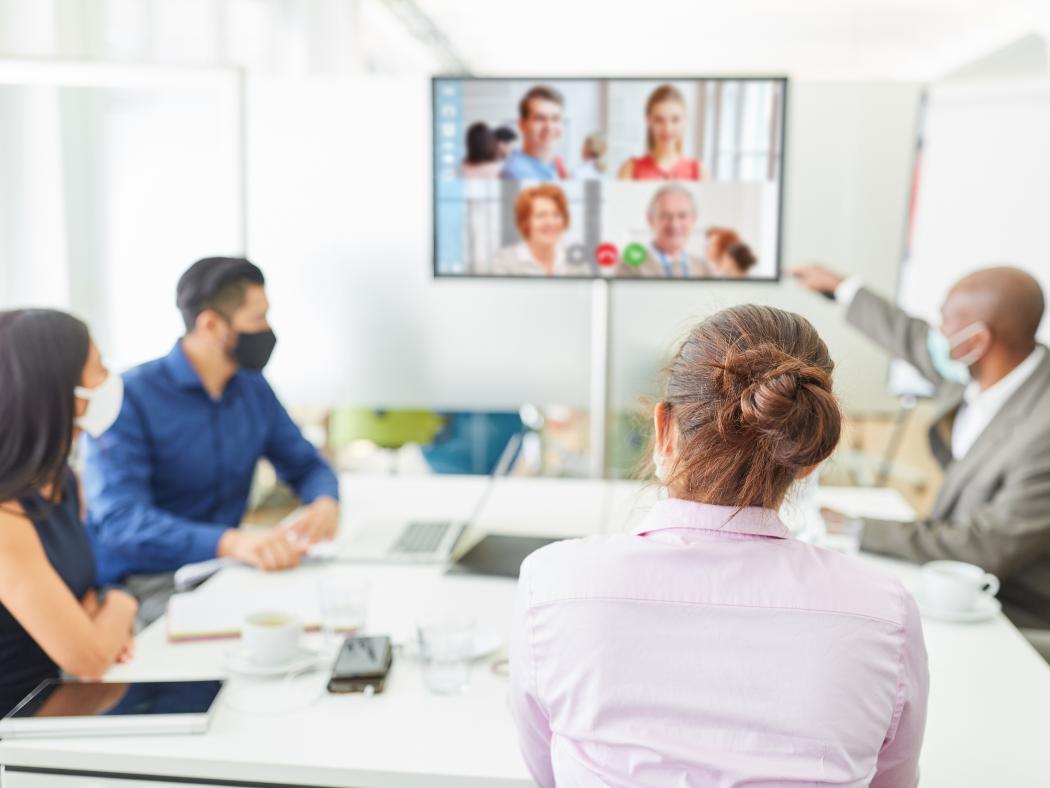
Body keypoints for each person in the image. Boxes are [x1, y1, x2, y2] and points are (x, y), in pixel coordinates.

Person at [510, 304, 928, 786]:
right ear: (809, 457)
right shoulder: (884, 612)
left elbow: (548, 773)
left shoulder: (552, 584)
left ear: (663, 431)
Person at [792, 263, 1050, 638]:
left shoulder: (1041, 428)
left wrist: (858, 528)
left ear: (977, 341)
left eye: (945, 321)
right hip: (954, 585)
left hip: (1012, 611)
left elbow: (987, 546)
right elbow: (912, 338)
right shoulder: (992, 369)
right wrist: (843, 287)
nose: (937, 332)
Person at [83, 257, 341, 626]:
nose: (268, 331)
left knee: (321, 615)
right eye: (257, 319)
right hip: (143, 585)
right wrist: (231, 542)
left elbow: (306, 464)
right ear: (210, 324)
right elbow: (122, 521)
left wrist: (325, 502)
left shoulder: (253, 388)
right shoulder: (130, 398)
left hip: (224, 570)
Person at [0, 310, 138, 714]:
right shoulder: (6, 519)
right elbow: (90, 657)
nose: (110, 377)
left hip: (64, 700)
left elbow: (85, 601)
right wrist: (122, 605)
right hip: (17, 730)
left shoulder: (63, 483)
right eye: (98, 367)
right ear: (60, 391)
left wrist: (97, 615)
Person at [617, 185, 711, 278]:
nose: (674, 224)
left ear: (694, 219)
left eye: (682, 216)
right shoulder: (631, 265)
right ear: (650, 219)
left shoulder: (702, 267)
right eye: (665, 216)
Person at [617, 84, 701, 181]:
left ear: (685, 121)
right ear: (648, 121)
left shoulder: (698, 171)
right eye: (659, 120)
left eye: (675, 120)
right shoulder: (629, 169)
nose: (667, 128)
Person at [489, 185, 570, 276]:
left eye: (556, 214)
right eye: (541, 215)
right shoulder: (503, 262)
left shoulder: (576, 262)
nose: (551, 222)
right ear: (525, 222)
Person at [500, 85, 567, 181]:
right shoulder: (518, 174)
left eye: (555, 119)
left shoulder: (549, 165)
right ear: (522, 124)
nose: (549, 127)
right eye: (540, 118)